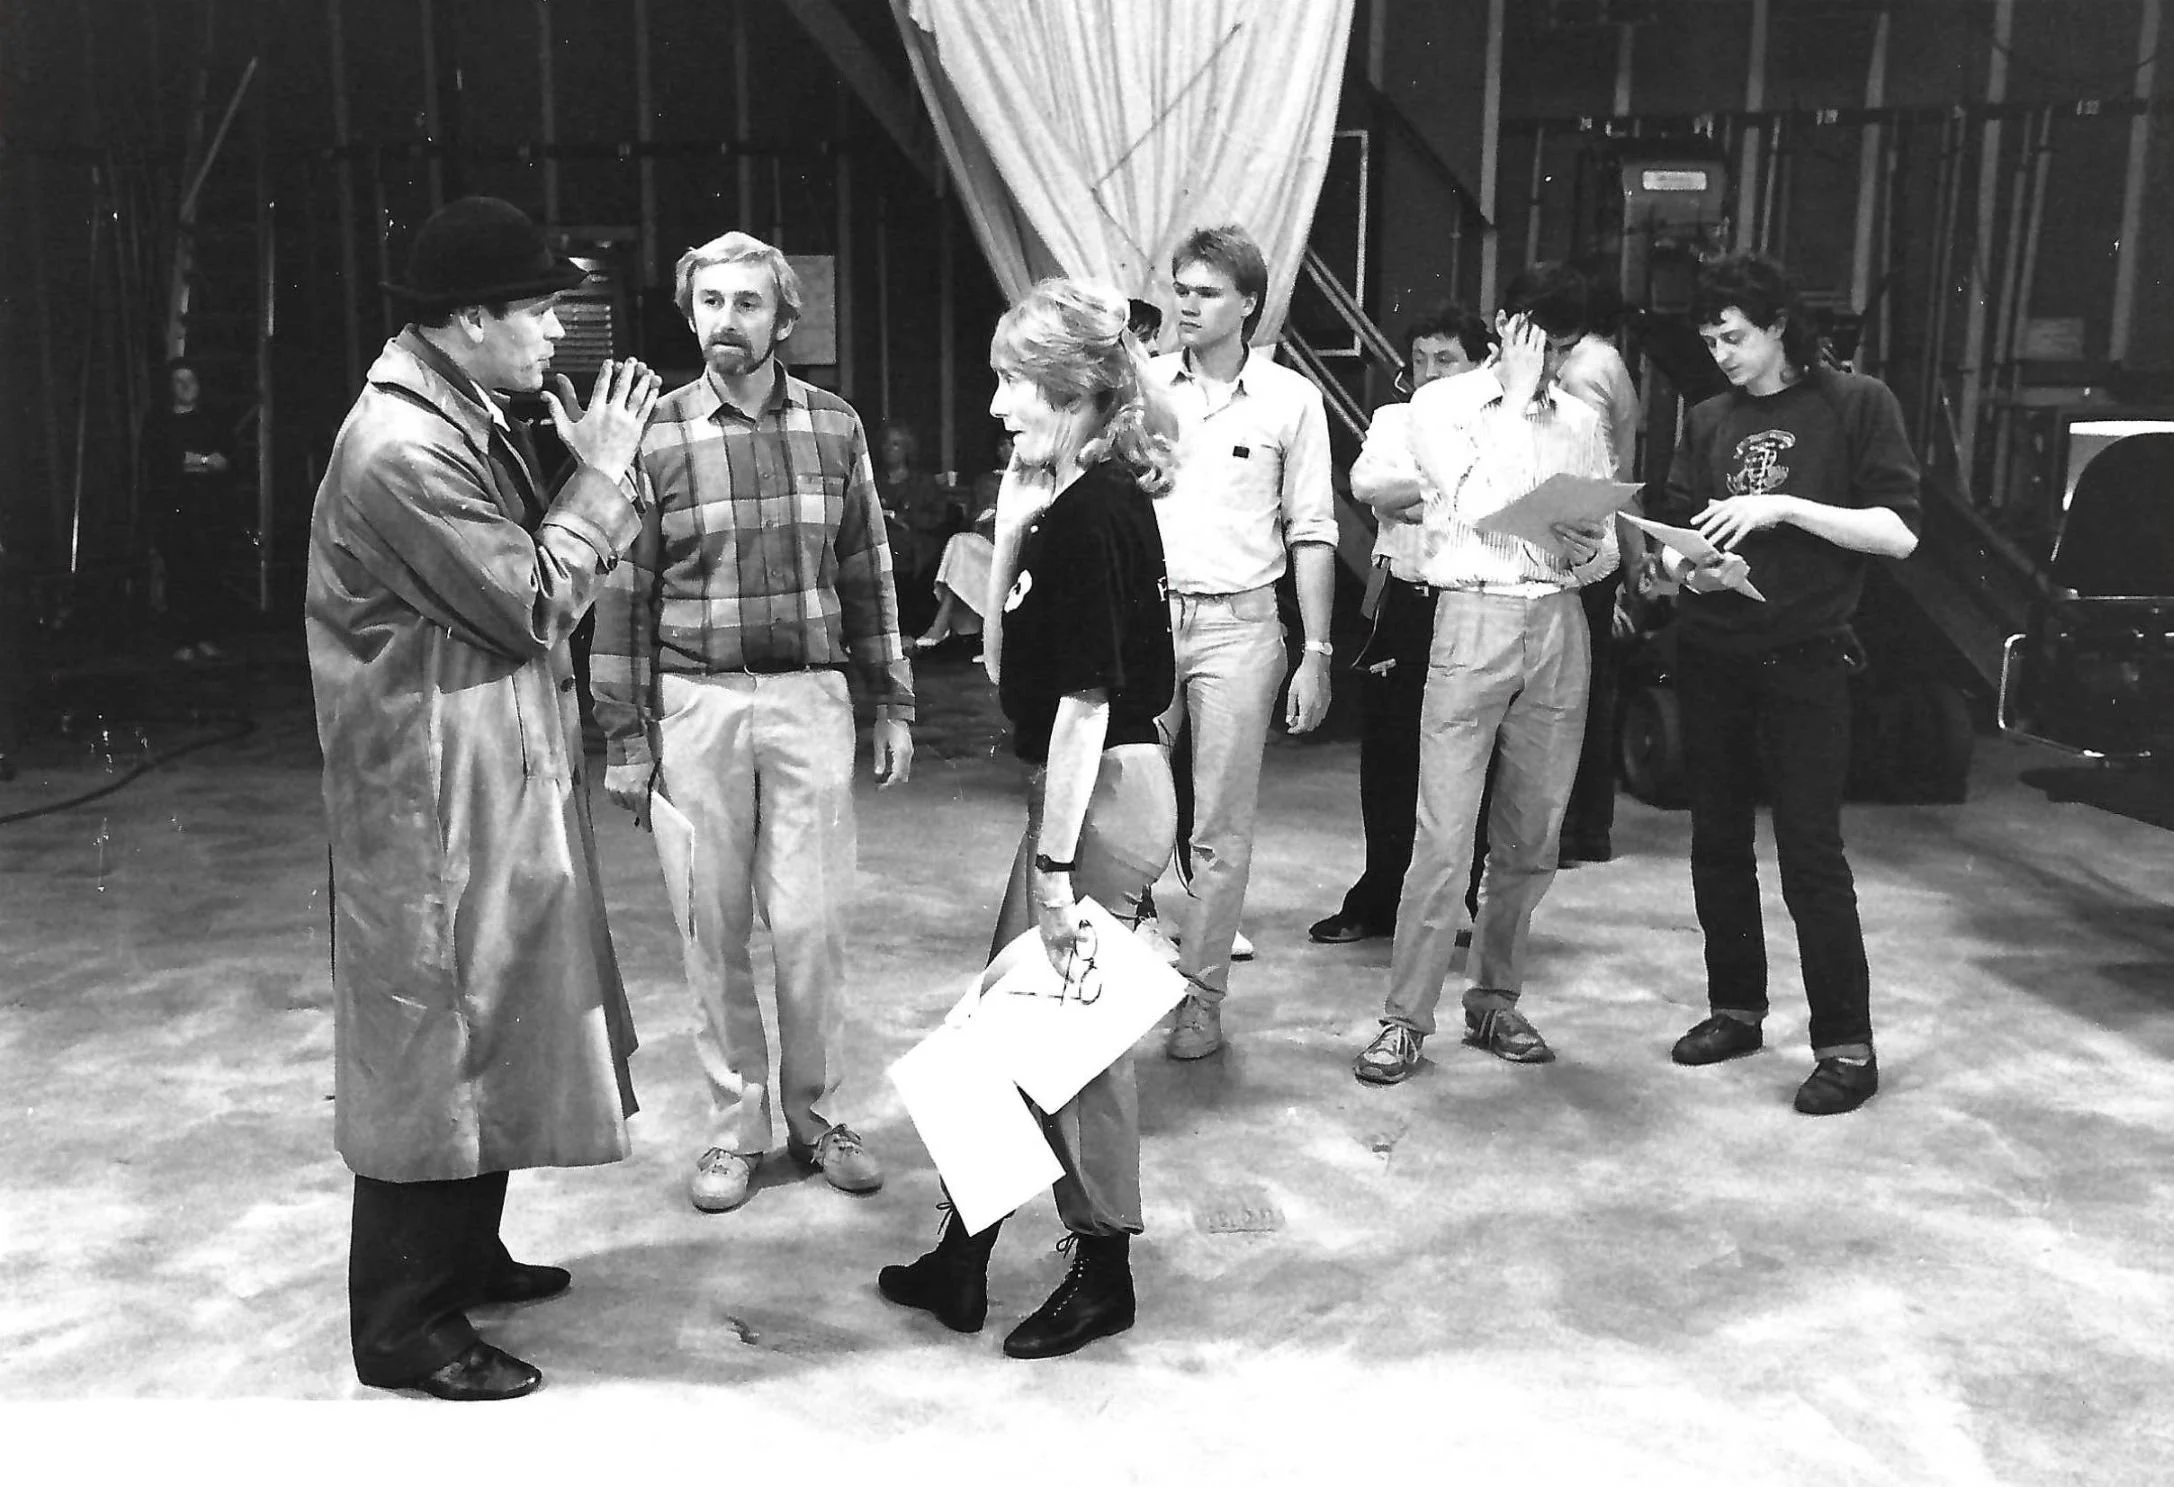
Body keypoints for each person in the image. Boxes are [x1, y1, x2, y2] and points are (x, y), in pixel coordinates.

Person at [304, 195, 662, 1401]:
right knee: (432, 1039)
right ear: (467, 319)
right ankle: (402, 1321)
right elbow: (526, 600)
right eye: (537, 310)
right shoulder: (400, 449)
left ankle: (462, 1255)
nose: (554, 332)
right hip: (428, 798)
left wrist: (577, 473)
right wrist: (598, 478)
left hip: (474, 774)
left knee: (490, 1010)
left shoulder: (457, 414)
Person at [879, 277, 1176, 1360]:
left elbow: (1085, 705)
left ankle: (1104, 1274)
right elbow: (1007, 668)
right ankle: (962, 1255)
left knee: (1071, 1045)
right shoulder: (1070, 503)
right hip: (1088, 789)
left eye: (1015, 382)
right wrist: (1012, 516)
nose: (999, 405)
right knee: (1006, 1027)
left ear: (1075, 385)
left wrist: (1053, 869)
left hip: (1095, 794)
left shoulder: (1095, 515)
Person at [591, 230, 915, 1214]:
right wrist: (626, 736)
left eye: (747, 302)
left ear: (783, 318)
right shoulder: (654, 435)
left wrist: (891, 698)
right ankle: (736, 1127)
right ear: (689, 315)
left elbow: (866, 570)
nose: (726, 320)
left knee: (811, 924)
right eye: (711, 302)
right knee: (713, 924)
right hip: (695, 704)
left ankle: (816, 1116)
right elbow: (622, 594)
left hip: (810, 699)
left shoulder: (834, 426)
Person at [1655, 254, 1920, 1116]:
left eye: (1734, 337)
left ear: (1778, 326)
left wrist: (1783, 508)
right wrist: (1685, 566)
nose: (1722, 355)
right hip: (1713, 651)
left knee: (1810, 851)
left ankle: (1846, 1046)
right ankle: (1736, 1008)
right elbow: (1675, 533)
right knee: (1717, 841)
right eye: (1710, 341)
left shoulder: (1856, 403)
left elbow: (1897, 532)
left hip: (1805, 656)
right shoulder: (1708, 418)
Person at [1352, 262, 1620, 1085]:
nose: (1556, 361)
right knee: (1442, 836)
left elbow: (1604, 544)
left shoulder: (1579, 418)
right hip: (1472, 614)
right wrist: (1515, 395)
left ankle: (1495, 998)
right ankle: (1405, 1018)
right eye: (1543, 340)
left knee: (1532, 835)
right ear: (1507, 326)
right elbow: (1477, 501)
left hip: (1558, 619)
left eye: (1566, 347)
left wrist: (1584, 550)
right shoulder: (1440, 406)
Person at [1145, 224, 1336, 1059]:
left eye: (1208, 292)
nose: (1188, 304)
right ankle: (1115, 984)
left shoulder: (1292, 400)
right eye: (1181, 289)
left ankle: (1201, 998)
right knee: (1123, 813)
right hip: (1147, 620)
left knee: (1218, 830)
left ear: (1249, 302)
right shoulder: (1143, 388)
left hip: (1242, 627)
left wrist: (1317, 652)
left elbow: (1313, 529)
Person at [1309, 302, 1494, 947]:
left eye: (1446, 359)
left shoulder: (1499, 424)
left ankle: (1467, 901)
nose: (1429, 372)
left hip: (1474, 602)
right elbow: (1369, 487)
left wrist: (1423, 493)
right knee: (1390, 755)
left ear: (1482, 364)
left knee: (1474, 757)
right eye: (1419, 360)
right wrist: (1453, 490)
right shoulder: (1395, 418)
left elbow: (1491, 498)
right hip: (1404, 602)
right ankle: (1379, 896)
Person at [1553, 274, 1644, 866]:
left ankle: (1573, 827)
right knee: (1589, 689)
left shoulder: (1581, 371)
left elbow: (1589, 470)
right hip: (1604, 541)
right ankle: (1589, 826)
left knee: (1567, 693)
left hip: (1583, 545)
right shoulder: (1610, 360)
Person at [144, 357, 240, 662]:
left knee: (208, 574)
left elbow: (224, 461)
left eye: (191, 380)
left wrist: (195, 461)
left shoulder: (211, 422)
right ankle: (182, 641)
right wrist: (202, 461)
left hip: (209, 511)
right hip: (174, 511)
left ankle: (206, 637)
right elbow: (166, 464)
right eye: (179, 381)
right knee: (179, 575)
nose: (186, 387)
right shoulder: (159, 424)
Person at [915, 432, 1010, 654]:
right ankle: (943, 623)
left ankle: (941, 626)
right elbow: (973, 519)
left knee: (961, 548)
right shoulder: (986, 480)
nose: (1008, 450)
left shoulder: (1035, 478)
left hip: (1018, 547)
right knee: (958, 542)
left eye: (1012, 444)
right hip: (989, 543)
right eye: (1003, 445)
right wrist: (986, 515)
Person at [877, 418, 960, 633]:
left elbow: (938, 517)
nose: (889, 449)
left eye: (896, 444)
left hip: (915, 545)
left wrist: (906, 520)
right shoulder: (873, 481)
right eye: (886, 443)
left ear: (906, 449)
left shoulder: (923, 482)